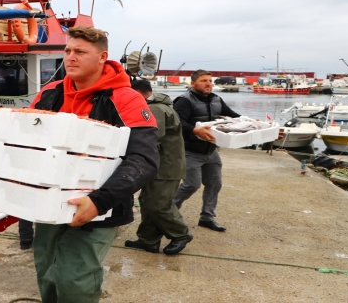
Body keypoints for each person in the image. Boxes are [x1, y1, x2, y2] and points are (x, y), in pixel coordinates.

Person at [30, 26, 159, 303]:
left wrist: (99, 202)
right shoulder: (49, 94)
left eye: (80, 52)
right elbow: (27, 142)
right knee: (46, 267)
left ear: (102, 57)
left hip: (100, 206)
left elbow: (144, 160)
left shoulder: (127, 99)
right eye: (67, 51)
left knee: (76, 277)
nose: (70, 57)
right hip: (48, 202)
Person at [125, 79, 193, 255]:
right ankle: (148, 240)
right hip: (159, 165)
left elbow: (151, 138)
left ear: (137, 93)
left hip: (166, 166)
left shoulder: (155, 109)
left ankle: (181, 234)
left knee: (159, 205)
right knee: (148, 202)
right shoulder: (159, 107)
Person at [172, 69, 240, 232]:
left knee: (215, 183)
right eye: (203, 81)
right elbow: (177, 123)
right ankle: (168, 212)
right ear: (193, 83)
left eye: (210, 80)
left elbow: (233, 117)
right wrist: (195, 130)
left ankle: (207, 217)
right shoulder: (184, 101)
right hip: (190, 151)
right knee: (191, 185)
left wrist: (252, 122)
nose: (208, 83)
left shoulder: (217, 99)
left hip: (211, 151)